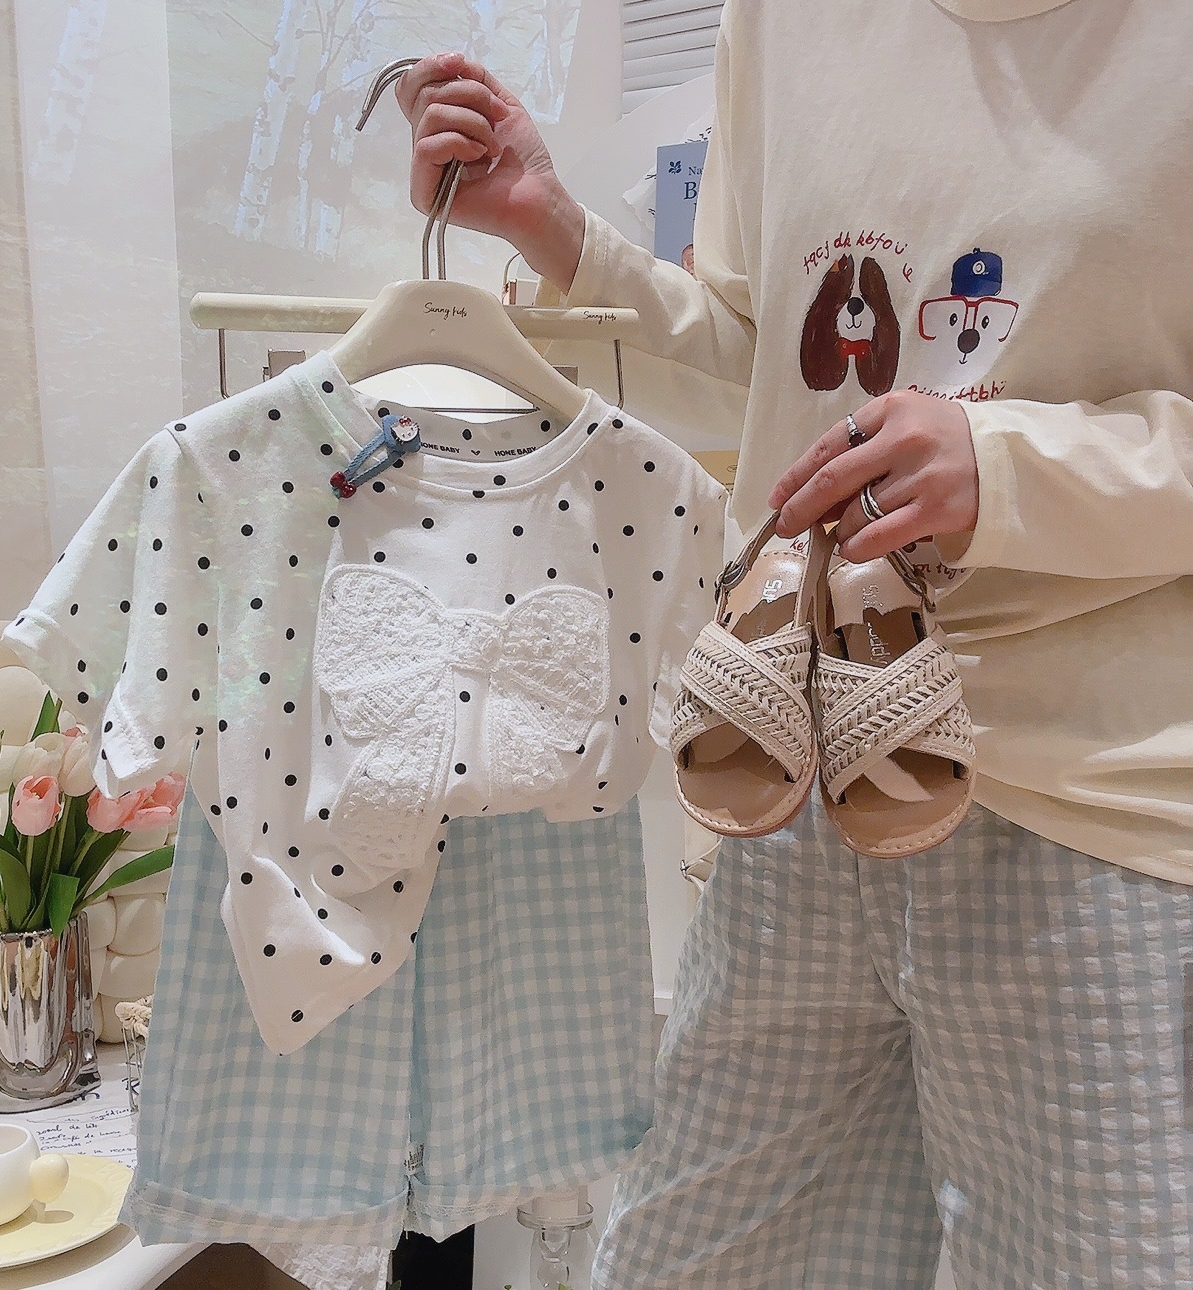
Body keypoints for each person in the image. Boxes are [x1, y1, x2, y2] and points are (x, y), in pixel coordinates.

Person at [393, 2, 1193, 1285]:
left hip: (1089, 812)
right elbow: (776, 372)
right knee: (681, 1264)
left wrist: (1007, 466)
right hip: (799, 773)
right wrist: (563, 236)